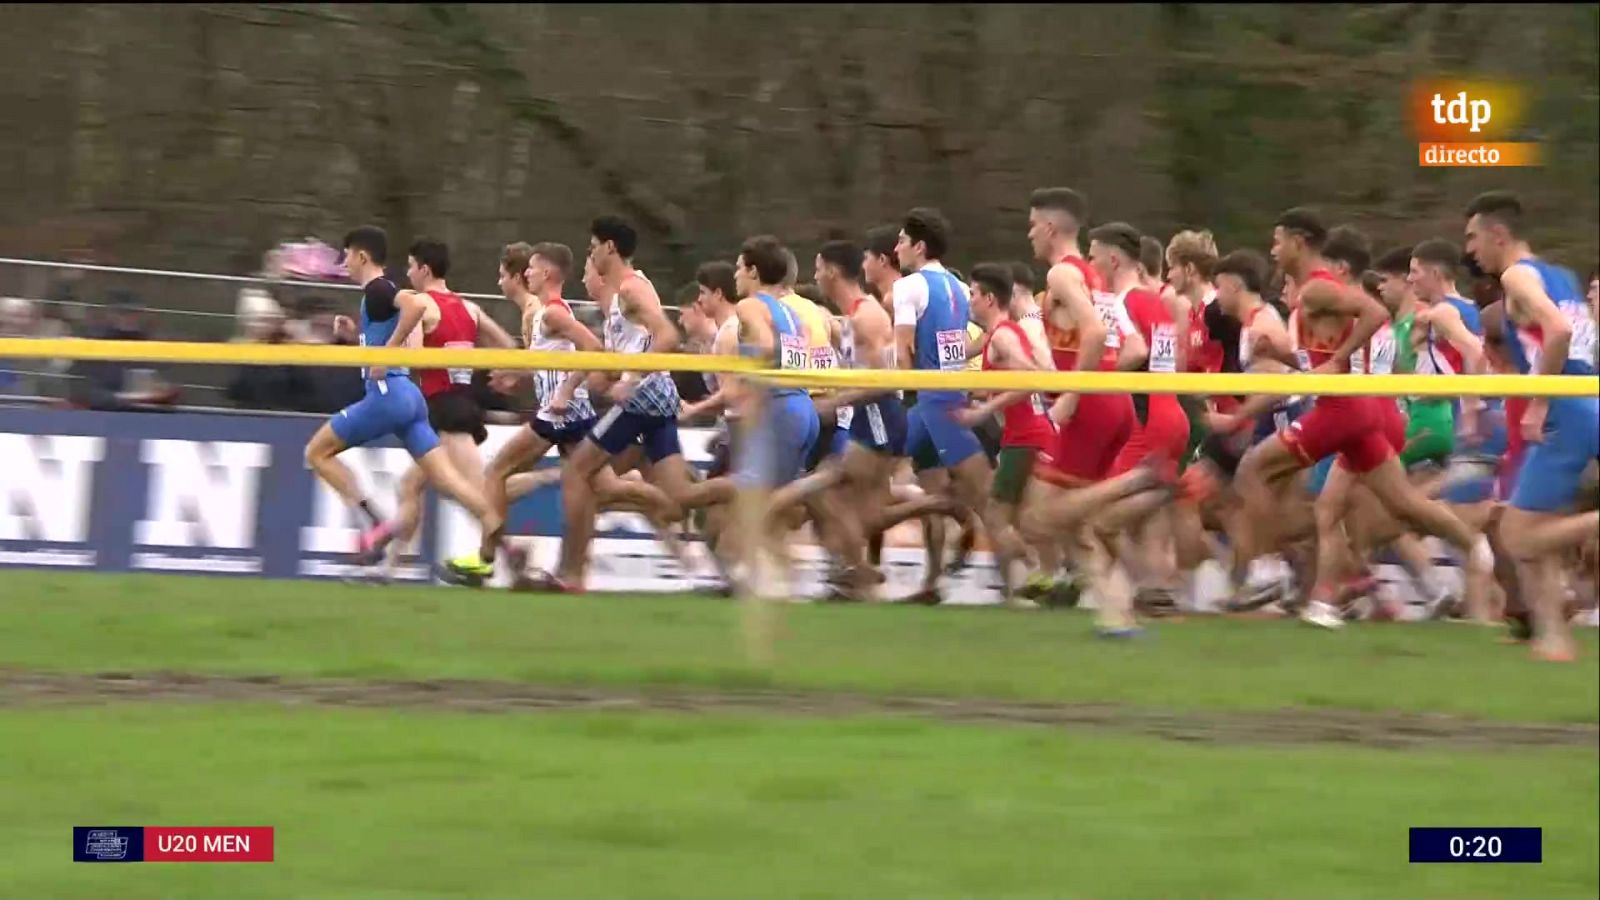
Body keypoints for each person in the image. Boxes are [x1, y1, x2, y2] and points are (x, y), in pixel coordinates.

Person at [1231, 207, 1494, 630]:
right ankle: (1473, 546)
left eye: (1278, 241)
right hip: (1359, 408)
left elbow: (1374, 315)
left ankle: (1269, 570)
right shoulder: (1311, 293)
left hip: (1345, 409)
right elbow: (1321, 358)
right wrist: (1285, 356)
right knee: (1394, 503)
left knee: (1253, 469)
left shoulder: (1317, 290)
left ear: (1299, 241)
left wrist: (1338, 360)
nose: (1273, 251)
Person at [542, 217, 733, 592]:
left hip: (643, 399)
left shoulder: (631, 288)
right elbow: (635, 344)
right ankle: (747, 489)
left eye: (593, 246)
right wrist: (607, 376)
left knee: (577, 472)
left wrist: (628, 379)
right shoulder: (622, 293)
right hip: (655, 399)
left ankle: (572, 575)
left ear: (610, 247)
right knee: (679, 498)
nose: (590, 254)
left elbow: (667, 335)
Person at [302, 225, 502, 566]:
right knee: (448, 480)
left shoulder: (378, 288)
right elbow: (387, 337)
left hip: (386, 396)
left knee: (316, 453)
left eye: (347, 257)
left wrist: (388, 352)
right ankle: (493, 523)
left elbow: (413, 308)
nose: (345, 264)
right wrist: (357, 338)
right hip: (410, 398)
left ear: (362, 256)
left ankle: (374, 521)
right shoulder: (379, 295)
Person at [1464, 190, 1600, 660]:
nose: (1470, 249)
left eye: (1473, 237)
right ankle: (1554, 641)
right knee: (1538, 534)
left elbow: (1558, 331)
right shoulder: (1560, 274)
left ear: (1498, 234)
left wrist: (1541, 402)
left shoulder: (1517, 275)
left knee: (1517, 536)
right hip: (1589, 400)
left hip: (1566, 410)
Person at [891, 207, 994, 604]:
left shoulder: (909, 286)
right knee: (930, 489)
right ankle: (932, 581)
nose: (896, 248)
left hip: (929, 402)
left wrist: (905, 395)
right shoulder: (957, 285)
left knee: (981, 497)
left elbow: (904, 351)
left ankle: (1023, 577)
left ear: (919, 246)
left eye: (901, 240)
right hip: (953, 395)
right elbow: (973, 338)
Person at [955, 263, 1056, 603]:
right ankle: (1050, 575)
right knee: (1028, 516)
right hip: (1025, 432)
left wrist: (982, 409)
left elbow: (1028, 378)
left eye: (972, 294)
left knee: (996, 517)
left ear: (988, 298)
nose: (969, 301)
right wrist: (983, 394)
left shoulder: (1003, 335)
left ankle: (1043, 576)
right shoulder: (1001, 334)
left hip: (1025, 435)